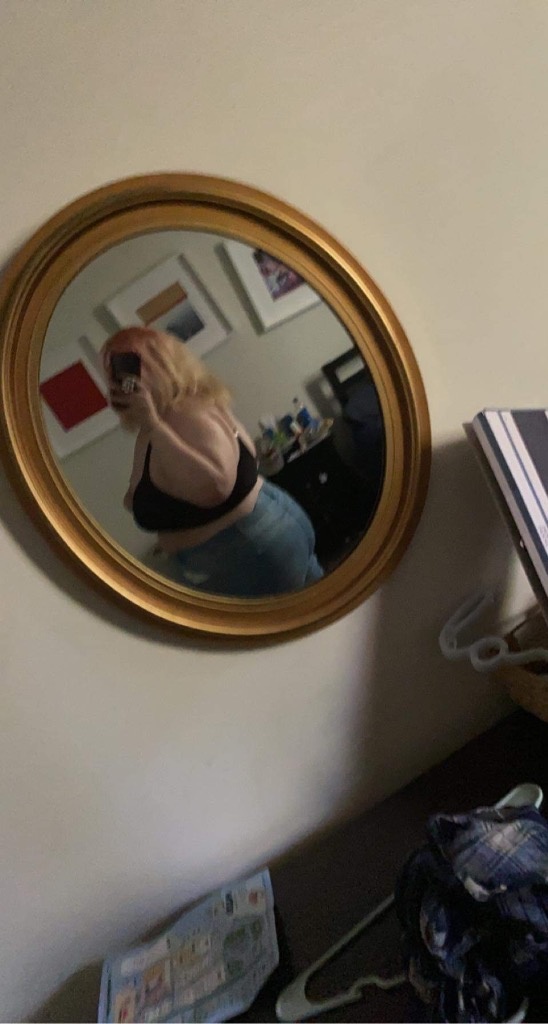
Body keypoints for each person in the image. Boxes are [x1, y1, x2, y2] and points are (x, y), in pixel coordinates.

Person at [101, 326, 324, 598]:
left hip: (247, 550)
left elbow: (216, 486)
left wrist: (153, 425)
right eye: (112, 371)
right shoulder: (165, 420)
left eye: (130, 367)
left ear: (161, 364)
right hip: (255, 541)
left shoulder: (184, 413)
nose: (117, 380)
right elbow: (138, 494)